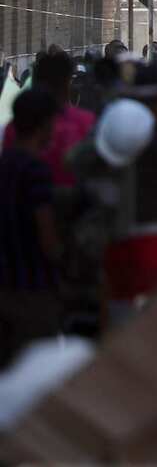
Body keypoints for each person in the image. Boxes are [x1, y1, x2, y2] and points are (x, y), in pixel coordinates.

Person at [0, 88, 63, 366]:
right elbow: (46, 235)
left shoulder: (4, 164)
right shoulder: (36, 171)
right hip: (33, 290)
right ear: (43, 124)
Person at [1, 50, 95, 188]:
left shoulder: (16, 125)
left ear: (37, 80)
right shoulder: (85, 122)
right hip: (72, 203)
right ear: (68, 82)